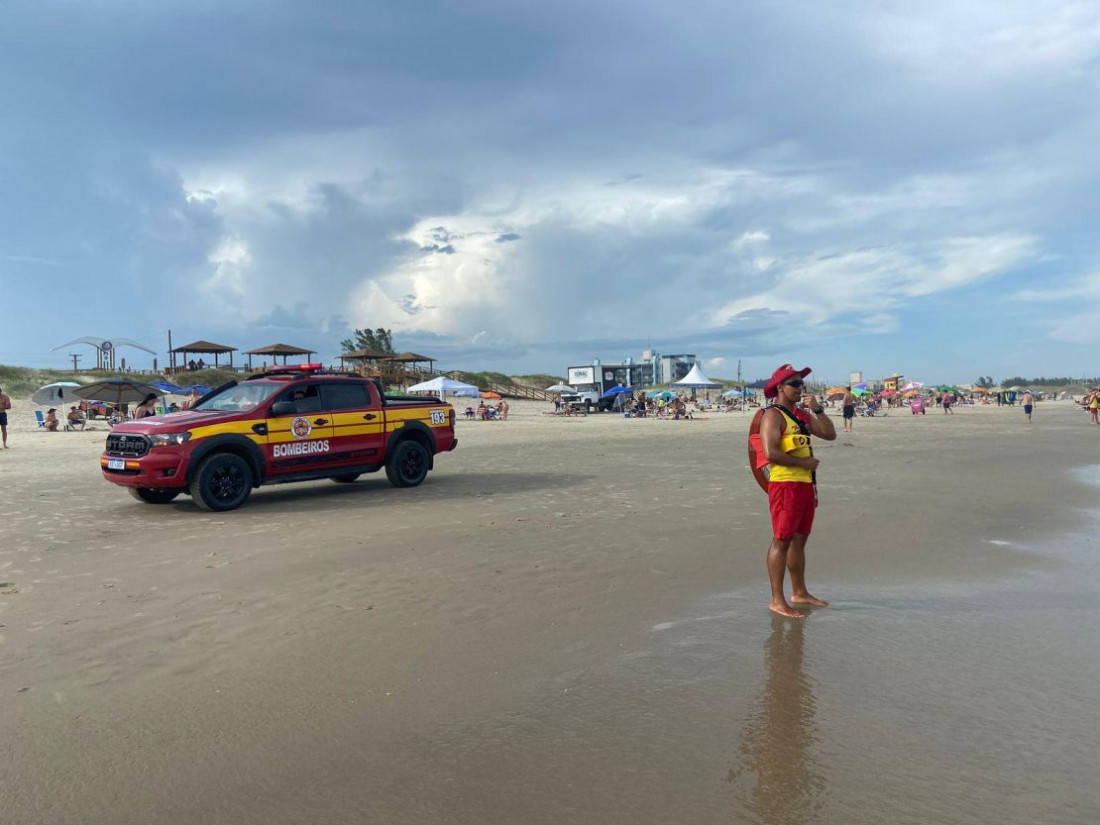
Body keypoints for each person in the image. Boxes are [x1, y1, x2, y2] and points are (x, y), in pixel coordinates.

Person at [759, 364, 837, 618]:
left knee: (800, 540)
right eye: (794, 384)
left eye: (801, 384)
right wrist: (803, 463)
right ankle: (776, 600)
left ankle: (799, 592)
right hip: (784, 485)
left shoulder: (801, 416)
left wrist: (817, 409)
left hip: (805, 485)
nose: (799, 388)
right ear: (780, 388)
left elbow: (829, 434)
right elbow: (771, 453)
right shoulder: (773, 415)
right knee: (781, 540)